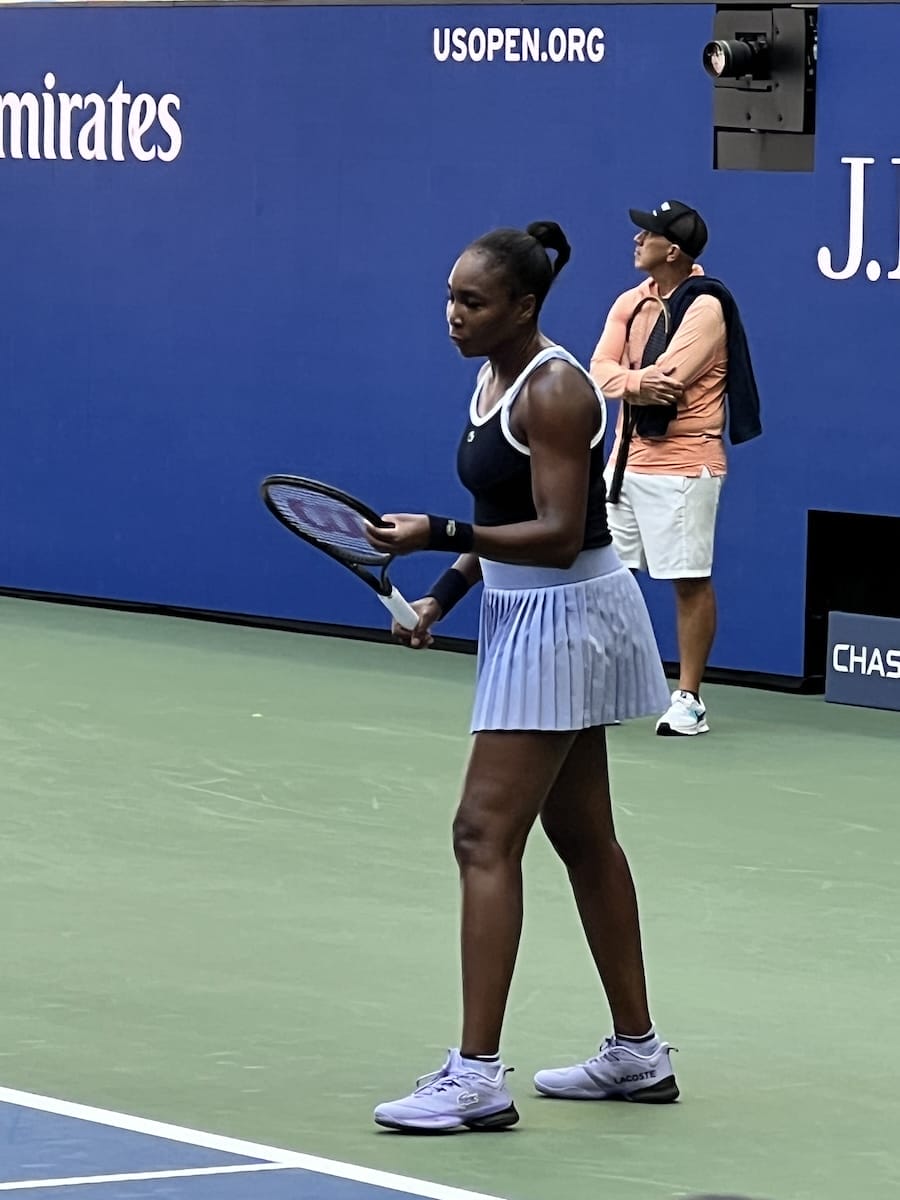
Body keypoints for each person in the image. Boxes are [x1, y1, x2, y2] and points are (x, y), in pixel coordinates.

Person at [362, 221, 679, 1133]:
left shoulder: (557, 392)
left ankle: (476, 1078)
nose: (453, 316)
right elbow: (494, 511)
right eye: (451, 299)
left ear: (524, 306)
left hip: (567, 618)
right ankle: (638, 1054)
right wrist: (440, 597)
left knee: (481, 835)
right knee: (583, 837)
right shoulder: (491, 374)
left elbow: (554, 526)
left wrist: (439, 535)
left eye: (473, 302)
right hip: (523, 611)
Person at [590, 200, 760, 737]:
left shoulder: (706, 307)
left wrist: (629, 378)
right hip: (622, 465)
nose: (638, 240)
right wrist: (633, 381)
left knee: (688, 581)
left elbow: (672, 377)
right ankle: (610, 688)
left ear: (674, 250)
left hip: (684, 468)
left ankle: (689, 699)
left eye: (649, 234)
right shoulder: (630, 302)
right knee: (605, 578)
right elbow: (599, 372)